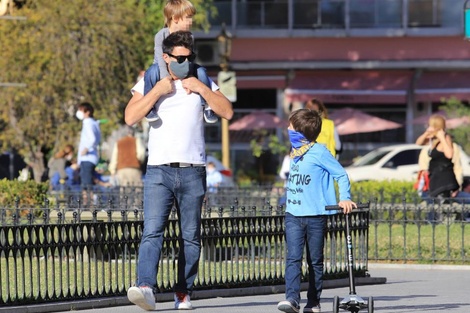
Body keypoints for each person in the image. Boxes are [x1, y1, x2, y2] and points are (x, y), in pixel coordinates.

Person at [124, 31, 233, 311]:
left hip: (193, 170)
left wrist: (202, 88)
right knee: (152, 231)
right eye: (179, 58)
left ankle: (183, 292)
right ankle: (145, 286)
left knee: (190, 236)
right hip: (159, 169)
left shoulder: (201, 77)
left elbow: (227, 111)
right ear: (166, 57)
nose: (185, 62)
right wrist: (158, 91)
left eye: (189, 57)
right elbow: (130, 116)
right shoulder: (152, 78)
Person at [277, 109, 356, 313]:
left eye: (291, 126)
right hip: (293, 214)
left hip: (315, 216)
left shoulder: (319, 152)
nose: (287, 129)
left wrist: (344, 197)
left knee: (315, 261)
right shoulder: (294, 152)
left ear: (300, 132)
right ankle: (292, 299)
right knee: (293, 258)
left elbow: (341, 175)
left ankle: (313, 302)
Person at [146, 0, 217, 124]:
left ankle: (207, 106)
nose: (191, 21)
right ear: (175, 18)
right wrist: (165, 78)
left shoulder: (190, 37)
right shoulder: (160, 36)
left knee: (201, 71)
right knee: (151, 72)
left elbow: (190, 58)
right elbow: (159, 58)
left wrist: (187, 76)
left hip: (185, 66)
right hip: (163, 68)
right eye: (188, 18)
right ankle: (149, 107)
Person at [415, 114, 459, 202]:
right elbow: (418, 143)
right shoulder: (433, 138)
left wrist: (441, 137)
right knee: (433, 205)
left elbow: (449, 154)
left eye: (431, 125)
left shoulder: (445, 138)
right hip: (435, 177)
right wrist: (426, 133)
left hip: (444, 179)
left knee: (441, 207)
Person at [76, 102, 101, 191]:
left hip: (87, 158)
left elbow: (92, 139)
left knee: (86, 186)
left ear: (88, 112)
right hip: (91, 158)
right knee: (88, 183)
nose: (79, 112)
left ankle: (87, 204)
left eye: (81, 110)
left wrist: (86, 149)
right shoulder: (94, 123)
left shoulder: (88, 123)